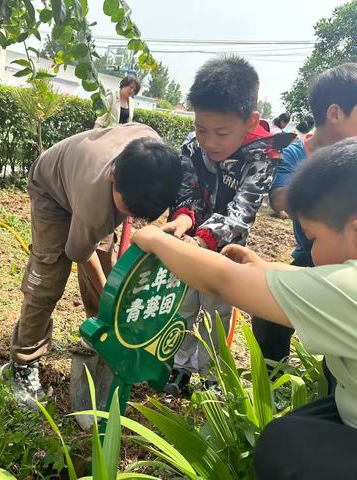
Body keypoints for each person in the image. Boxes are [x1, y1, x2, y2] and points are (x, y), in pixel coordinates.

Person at [132, 137, 357, 480]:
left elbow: (223, 283)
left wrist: (157, 240)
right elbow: (313, 279)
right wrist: (265, 265)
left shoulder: (347, 291)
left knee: (283, 444)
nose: (309, 254)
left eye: (312, 239)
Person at [2, 123, 182, 408]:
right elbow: (80, 255)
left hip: (95, 185)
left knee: (108, 266)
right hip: (52, 188)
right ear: (113, 176)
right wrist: (114, 301)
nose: (131, 216)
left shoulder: (152, 155)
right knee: (48, 279)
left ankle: (100, 337)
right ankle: (22, 362)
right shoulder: (94, 203)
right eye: (128, 209)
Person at [160, 54, 293, 395]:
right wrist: (183, 219)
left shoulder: (263, 159)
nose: (210, 141)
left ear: (251, 121)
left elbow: (242, 211)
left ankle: (211, 375)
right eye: (201, 129)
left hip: (226, 253)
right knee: (183, 305)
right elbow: (186, 190)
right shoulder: (192, 148)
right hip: (188, 244)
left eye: (221, 132)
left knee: (216, 313)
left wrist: (202, 240)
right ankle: (179, 367)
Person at [255, 63, 357, 365]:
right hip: (316, 254)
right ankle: (272, 376)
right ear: (335, 113)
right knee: (268, 314)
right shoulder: (295, 155)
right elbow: (279, 200)